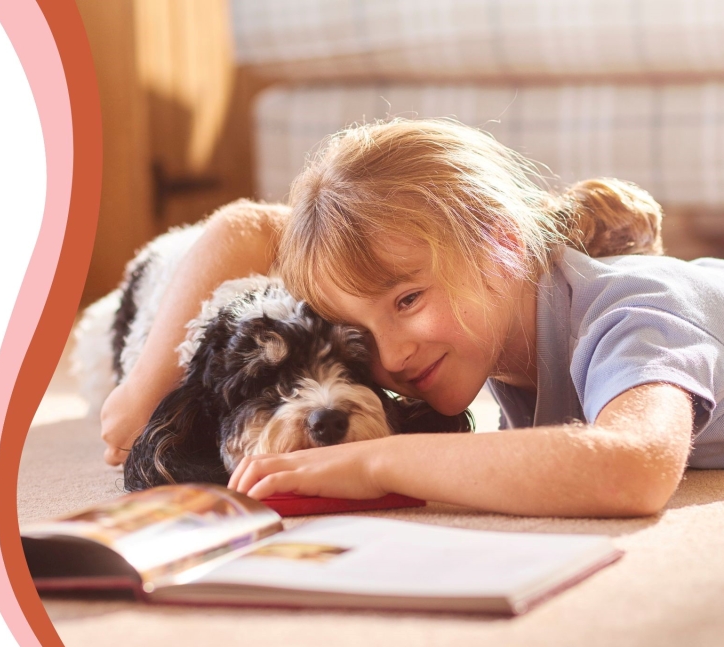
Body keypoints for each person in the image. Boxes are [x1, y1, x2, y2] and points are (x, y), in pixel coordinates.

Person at [100, 117, 724, 517]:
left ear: (502, 242)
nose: (392, 356)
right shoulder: (505, 314)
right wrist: (143, 392)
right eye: (360, 336)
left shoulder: (634, 312)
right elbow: (247, 229)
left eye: (407, 302)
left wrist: (375, 463)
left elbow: (630, 469)